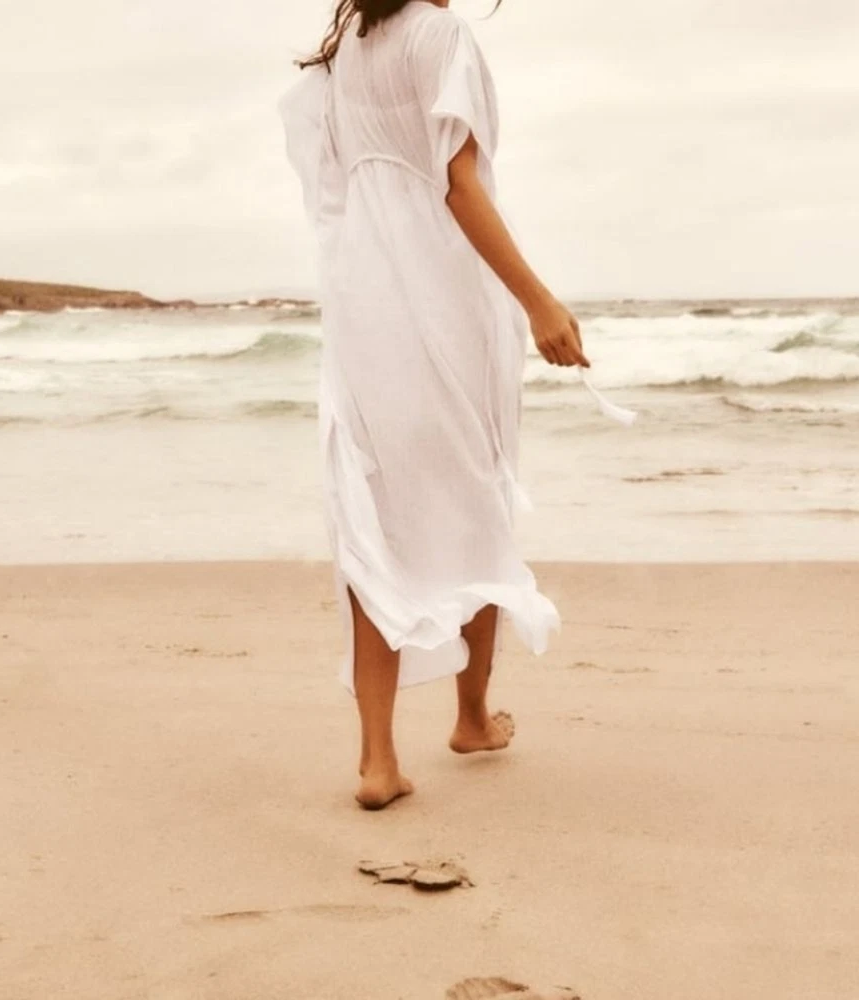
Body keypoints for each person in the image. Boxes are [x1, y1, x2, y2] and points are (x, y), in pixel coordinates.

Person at [279, 0, 589, 811]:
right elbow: (457, 186)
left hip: (364, 306)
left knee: (374, 518)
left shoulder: (351, 47)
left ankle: (377, 759)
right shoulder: (440, 35)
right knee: (475, 494)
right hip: (446, 302)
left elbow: (335, 193)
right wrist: (538, 302)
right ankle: (472, 717)